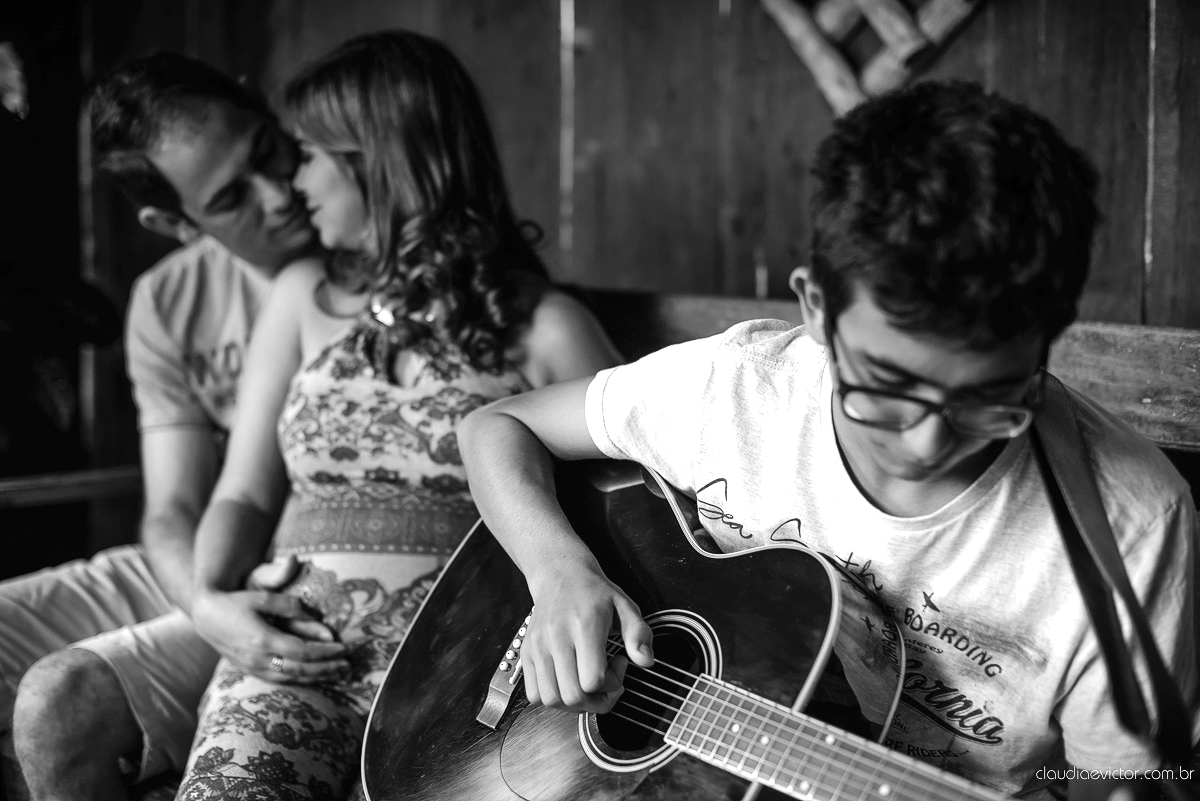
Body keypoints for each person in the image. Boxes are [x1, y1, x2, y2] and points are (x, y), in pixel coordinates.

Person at [458, 80, 1199, 801]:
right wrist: (558, 572)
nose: (925, 444)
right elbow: (499, 425)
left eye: (990, 400)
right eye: (884, 385)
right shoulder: (736, 388)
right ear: (816, 307)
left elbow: (1130, 783)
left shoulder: (1132, 526)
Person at [176, 29, 621, 800]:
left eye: (308, 153)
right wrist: (210, 600)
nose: (292, 181)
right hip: (293, 656)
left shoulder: (549, 329)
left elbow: (638, 517)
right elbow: (241, 492)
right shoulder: (299, 298)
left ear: (378, 161)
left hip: (464, 680)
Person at [3, 53, 336, 801]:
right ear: (175, 224)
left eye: (267, 149)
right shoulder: (168, 300)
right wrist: (206, 604)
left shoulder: (358, 248)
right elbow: (174, 508)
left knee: (60, 699)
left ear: (262, 104)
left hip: (304, 570)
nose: (279, 192)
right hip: (202, 560)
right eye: (230, 199)